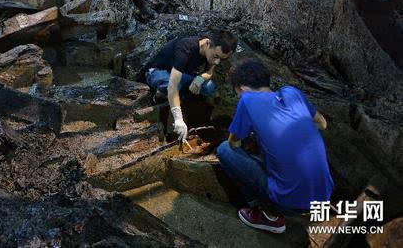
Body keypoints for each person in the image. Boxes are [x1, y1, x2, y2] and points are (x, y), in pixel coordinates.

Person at [216, 58, 333, 234]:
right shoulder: (292, 92)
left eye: (236, 92)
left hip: (291, 205)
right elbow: (322, 124)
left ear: (241, 88)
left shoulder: (247, 100)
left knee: (224, 150)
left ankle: (268, 214)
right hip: (323, 196)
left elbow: (234, 143)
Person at [143, 31, 238, 142]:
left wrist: (200, 79)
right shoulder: (185, 47)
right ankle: (160, 97)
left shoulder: (212, 48)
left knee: (209, 87)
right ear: (208, 44)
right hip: (159, 71)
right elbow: (173, 85)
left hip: (181, 74)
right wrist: (178, 118)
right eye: (216, 56)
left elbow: (210, 71)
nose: (217, 62)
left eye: (222, 59)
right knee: (174, 87)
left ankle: (186, 101)